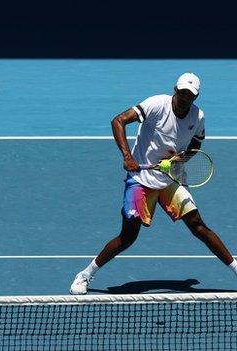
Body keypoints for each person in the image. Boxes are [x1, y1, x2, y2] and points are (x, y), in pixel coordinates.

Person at [70, 73, 237, 295]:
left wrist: (178, 160)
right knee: (128, 237)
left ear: (196, 97)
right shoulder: (156, 104)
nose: (185, 98)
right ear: (175, 90)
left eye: (190, 95)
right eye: (182, 92)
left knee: (198, 225)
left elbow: (196, 144)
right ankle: (85, 274)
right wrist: (128, 156)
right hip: (141, 180)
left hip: (171, 178)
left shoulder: (198, 117)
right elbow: (118, 120)